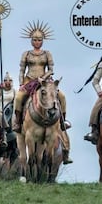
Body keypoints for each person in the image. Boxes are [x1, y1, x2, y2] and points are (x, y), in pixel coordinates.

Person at [13, 21, 72, 164]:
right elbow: (21, 69)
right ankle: (18, 121)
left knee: (61, 96)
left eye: (39, 40)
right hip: (29, 80)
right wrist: (21, 82)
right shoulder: (26, 54)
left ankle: (63, 121)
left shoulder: (47, 54)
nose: (37, 42)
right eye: (34, 40)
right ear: (31, 40)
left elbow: (51, 69)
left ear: (43, 41)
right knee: (19, 97)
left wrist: (43, 78)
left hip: (45, 80)